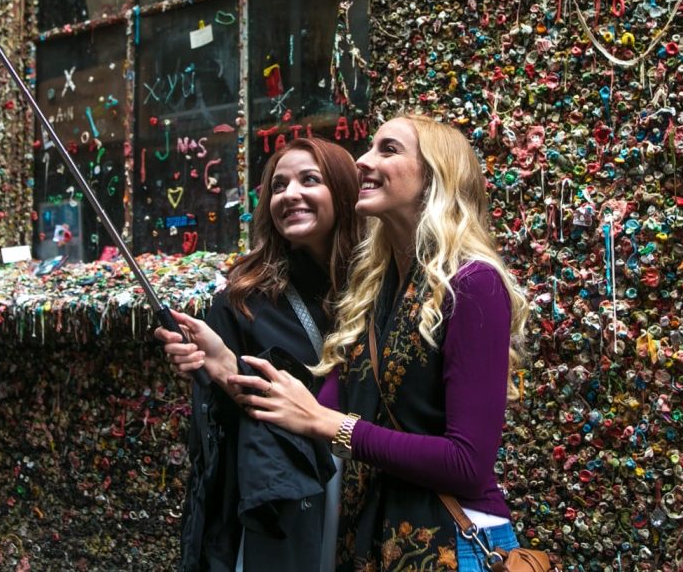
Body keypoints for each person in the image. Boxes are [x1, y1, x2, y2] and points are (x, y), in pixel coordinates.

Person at [228, 114, 529, 571]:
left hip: (453, 545)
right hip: (372, 544)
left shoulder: (474, 284)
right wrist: (221, 364)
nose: (363, 161)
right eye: (369, 148)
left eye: (387, 149)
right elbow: (312, 411)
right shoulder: (376, 290)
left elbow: (468, 463)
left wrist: (335, 427)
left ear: (435, 175)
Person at [155, 137, 361, 572]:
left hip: (372, 493)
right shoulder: (242, 300)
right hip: (288, 510)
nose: (290, 195)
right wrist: (216, 372)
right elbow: (221, 441)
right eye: (278, 186)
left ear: (343, 191)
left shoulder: (381, 286)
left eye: (310, 180)